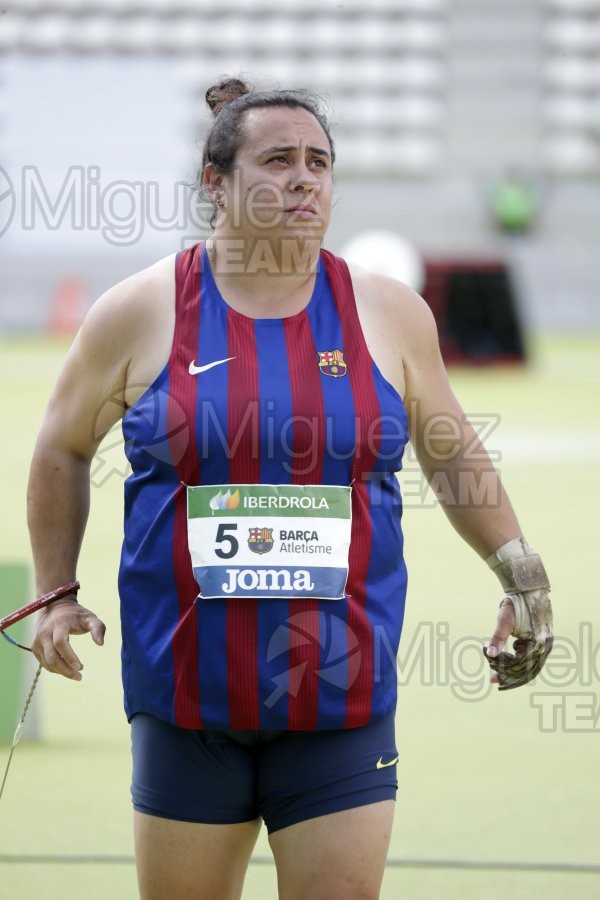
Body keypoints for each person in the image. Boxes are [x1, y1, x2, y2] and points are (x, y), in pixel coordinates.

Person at [27, 77, 553, 900]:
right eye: (277, 160)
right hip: (185, 696)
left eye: (320, 161)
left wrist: (521, 574)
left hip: (341, 698)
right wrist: (55, 593)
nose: (305, 178)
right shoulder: (141, 310)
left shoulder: (387, 313)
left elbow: (451, 453)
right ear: (216, 181)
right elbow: (60, 446)